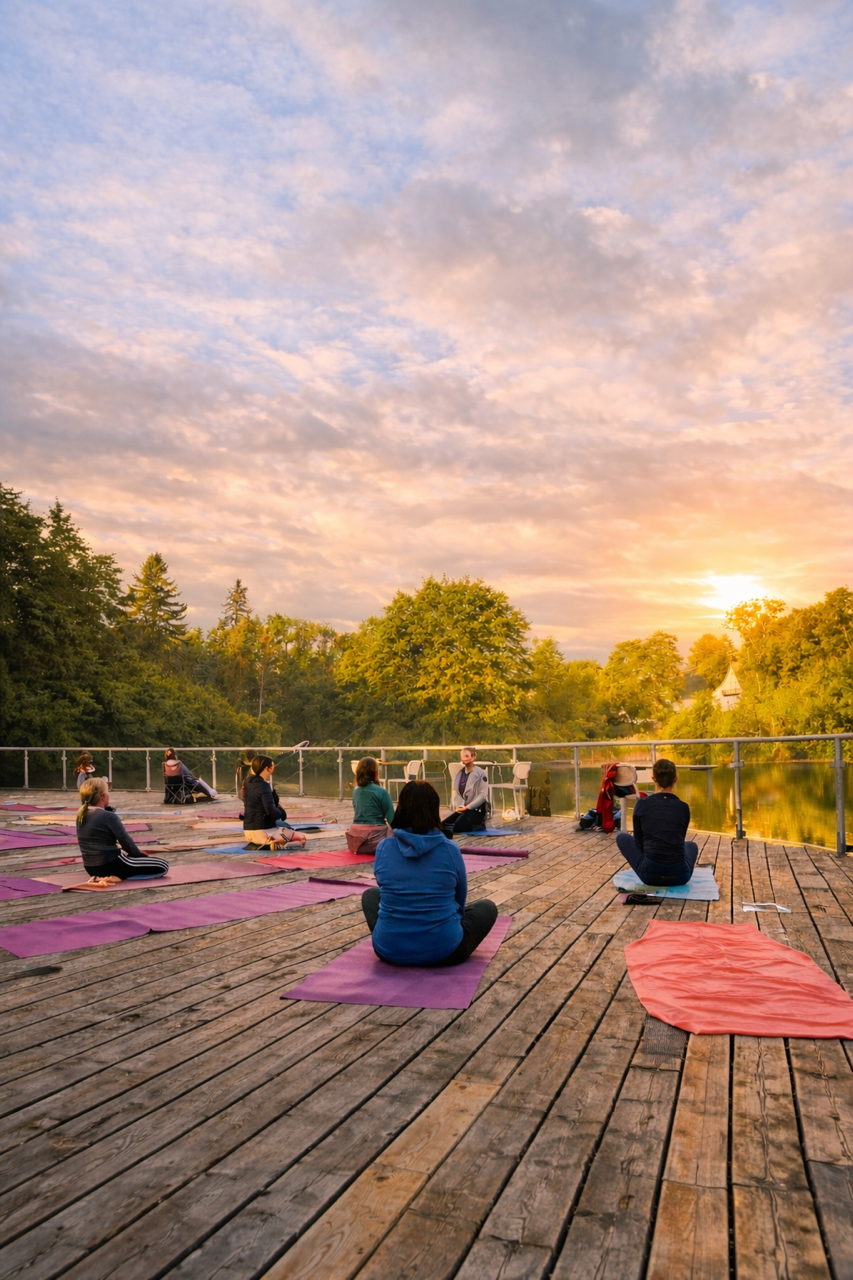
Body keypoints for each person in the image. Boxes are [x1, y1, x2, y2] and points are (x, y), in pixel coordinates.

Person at [362, 780, 498, 966]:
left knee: (370, 895)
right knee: (487, 907)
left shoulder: (384, 847)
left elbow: (387, 891)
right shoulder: (450, 850)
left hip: (388, 950)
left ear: (401, 808)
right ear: (434, 810)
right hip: (445, 951)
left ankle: (395, 938)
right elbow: (459, 902)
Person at [616, 758, 699, 886]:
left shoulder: (642, 804)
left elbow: (638, 841)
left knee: (622, 837)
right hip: (681, 876)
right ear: (676, 779)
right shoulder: (683, 807)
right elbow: (679, 839)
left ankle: (652, 863)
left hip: (649, 876)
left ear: (653, 778)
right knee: (691, 845)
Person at [76, 776, 170, 886]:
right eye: (107, 792)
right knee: (163, 865)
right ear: (102, 796)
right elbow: (126, 843)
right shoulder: (109, 816)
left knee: (135, 862)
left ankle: (112, 875)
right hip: (112, 864)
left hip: (91, 868)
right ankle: (117, 877)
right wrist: (140, 856)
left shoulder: (80, 814)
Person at [242, 755, 307, 849]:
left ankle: (274, 842)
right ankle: (279, 844)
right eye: (272, 767)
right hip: (264, 831)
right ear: (267, 768)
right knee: (301, 838)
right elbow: (271, 812)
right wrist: (281, 812)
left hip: (248, 832)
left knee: (280, 826)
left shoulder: (247, 782)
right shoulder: (264, 786)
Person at [346, 757, 394, 855]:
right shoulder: (382, 792)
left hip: (355, 843)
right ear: (375, 772)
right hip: (376, 842)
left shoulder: (355, 790)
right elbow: (393, 821)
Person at [441, 747, 490, 836]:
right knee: (443, 825)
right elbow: (458, 792)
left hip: (476, 809)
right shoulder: (460, 774)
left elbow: (483, 796)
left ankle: (478, 825)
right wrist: (460, 806)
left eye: (467, 756)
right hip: (464, 808)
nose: (464, 759)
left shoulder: (481, 773)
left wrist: (468, 807)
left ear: (473, 757)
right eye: (462, 756)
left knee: (457, 827)